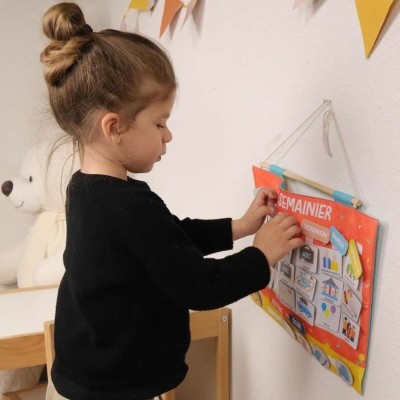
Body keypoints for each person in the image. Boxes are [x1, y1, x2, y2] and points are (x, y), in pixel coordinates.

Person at [40, 3, 303, 400]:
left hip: (84, 375)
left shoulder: (86, 188)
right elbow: (199, 286)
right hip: (112, 390)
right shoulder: (127, 205)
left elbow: (163, 241)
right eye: (160, 123)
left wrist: (239, 227)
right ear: (114, 127)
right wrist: (261, 255)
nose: (168, 135)